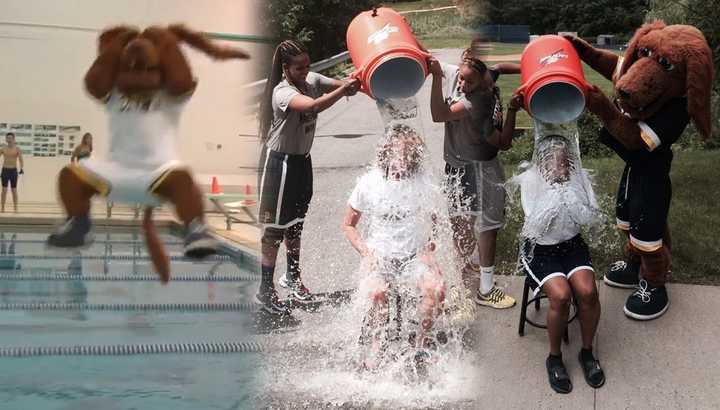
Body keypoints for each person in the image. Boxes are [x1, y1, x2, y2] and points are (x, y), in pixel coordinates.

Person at [256, 39, 361, 314]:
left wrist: (355, 81)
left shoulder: (311, 78)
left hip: (302, 162)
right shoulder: (283, 92)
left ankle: (292, 279)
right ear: (285, 68)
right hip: (280, 165)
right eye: (299, 67)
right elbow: (313, 106)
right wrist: (343, 91)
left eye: (307, 64)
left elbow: (339, 84)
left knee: (296, 226)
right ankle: (265, 291)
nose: (305, 70)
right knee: (274, 232)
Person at [342, 125, 446, 372]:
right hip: (381, 256)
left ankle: (419, 344)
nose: (403, 158)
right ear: (386, 152)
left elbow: (437, 220)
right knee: (377, 292)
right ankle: (378, 345)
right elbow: (348, 225)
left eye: (409, 153)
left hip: (413, 257)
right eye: (398, 152)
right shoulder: (369, 182)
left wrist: (429, 249)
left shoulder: (423, 183)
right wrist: (367, 253)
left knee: (436, 289)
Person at [513, 130, 605, 394]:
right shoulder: (530, 180)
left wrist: (570, 192)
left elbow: (589, 218)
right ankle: (554, 358)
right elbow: (536, 226)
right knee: (562, 296)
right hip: (539, 248)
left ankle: (586, 353)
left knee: (588, 292)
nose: (561, 165)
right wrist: (555, 191)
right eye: (555, 161)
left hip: (571, 245)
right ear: (541, 162)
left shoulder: (579, 178)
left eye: (565, 160)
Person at [427, 47, 519, 309]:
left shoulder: (474, 101)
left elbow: (438, 115)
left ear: (482, 80)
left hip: (480, 168)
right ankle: (462, 280)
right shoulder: (463, 75)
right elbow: (437, 63)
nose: (463, 84)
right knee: (461, 227)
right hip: (458, 167)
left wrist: (435, 78)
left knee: (485, 227)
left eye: (469, 80)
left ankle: (485, 288)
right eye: (461, 78)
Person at [0, 132, 24, 213]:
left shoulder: (17, 149)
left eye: (11, 138)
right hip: (5, 170)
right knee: (4, 190)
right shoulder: (3, 148)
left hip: (13, 171)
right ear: (6, 139)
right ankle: (2, 207)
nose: (9, 139)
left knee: (14, 190)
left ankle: (15, 208)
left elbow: (21, 159)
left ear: (14, 139)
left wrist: (21, 168)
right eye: (8, 138)